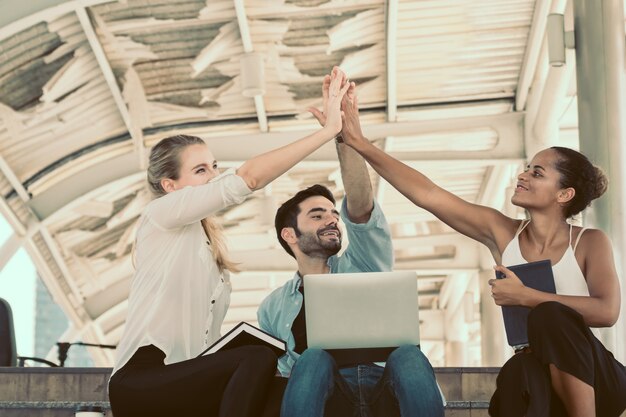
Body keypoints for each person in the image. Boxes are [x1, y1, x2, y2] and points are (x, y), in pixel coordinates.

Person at [338, 83, 626, 417]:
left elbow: (607, 312)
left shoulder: (589, 241)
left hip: (597, 381)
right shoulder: (502, 232)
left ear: (564, 194)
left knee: (550, 315)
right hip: (537, 378)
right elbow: (429, 194)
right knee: (519, 369)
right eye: (526, 167)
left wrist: (525, 296)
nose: (523, 175)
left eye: (537, 173)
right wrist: (359, 144)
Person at [107, 67, 350, 417]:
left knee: (286, 388)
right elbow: (248, 177)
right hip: (143, 381)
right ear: (170, 186)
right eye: (201, 170)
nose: (214, 176)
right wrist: (329, 131)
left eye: (214, 166)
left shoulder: (208, 251)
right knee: (256, 357)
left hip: (188, 383)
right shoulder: (159, 216)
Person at [257, 77, 444, 417]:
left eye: (332, 213)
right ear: (290, 235)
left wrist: (342, 137)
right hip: (329, 399)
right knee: (313, 358)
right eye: (317, 215)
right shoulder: (272, 307)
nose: (332, 219)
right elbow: (286, 377)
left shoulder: (362, 262)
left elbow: (359, 204)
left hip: (387, 390)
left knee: (408, 354)